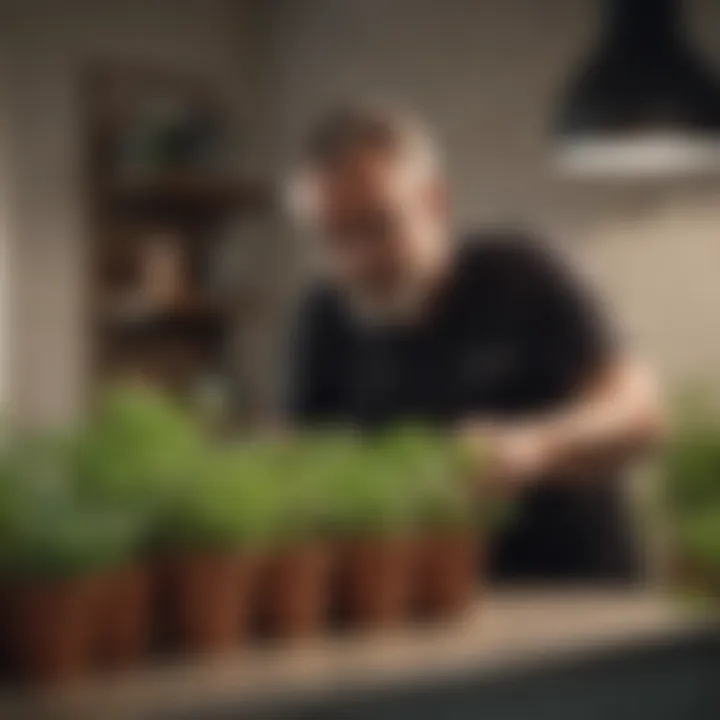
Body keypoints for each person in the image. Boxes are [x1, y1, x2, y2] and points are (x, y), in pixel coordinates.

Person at [284, 105, 663, 581]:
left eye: (379, 226)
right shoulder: (324, 320)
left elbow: (639, 414)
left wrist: (532, 448)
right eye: (334, 238)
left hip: (577, 593)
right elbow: (305, 465)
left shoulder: (522, 273)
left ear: (435, 201)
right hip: (430, 608)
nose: (357, 261)